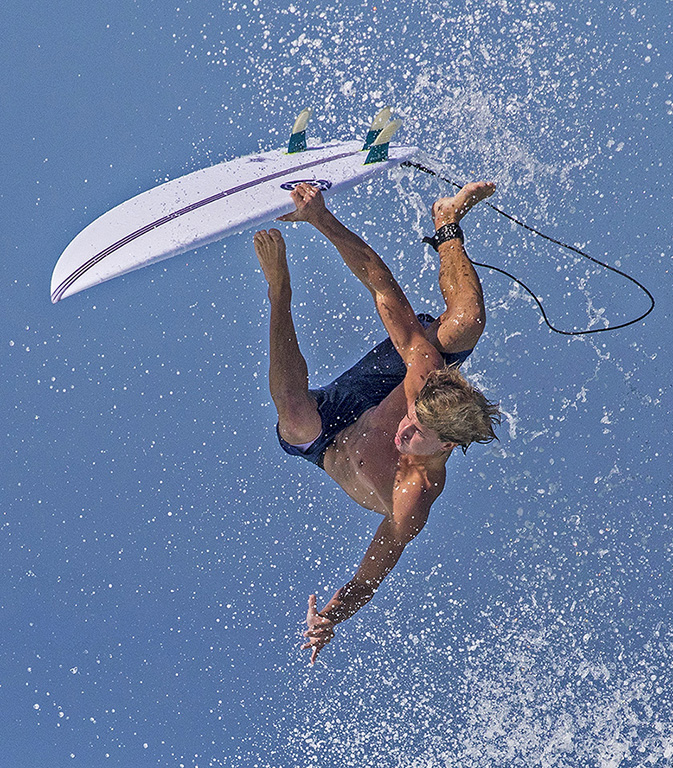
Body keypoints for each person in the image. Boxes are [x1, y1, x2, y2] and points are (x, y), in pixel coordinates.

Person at [253, 181, 500, 663]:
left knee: (294, 414)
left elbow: (368, 579)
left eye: (415, 435)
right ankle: (447, 221)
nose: (404, 429)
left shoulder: (411, 499)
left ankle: (277, 289)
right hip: (374, 392)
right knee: (467, 322)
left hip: (328, 440)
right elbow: (383, 288)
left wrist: (330, 616)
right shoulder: (422, 382)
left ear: (445, 447)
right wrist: (322, 219)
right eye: (413, 417)